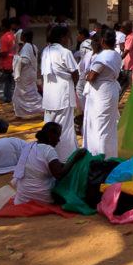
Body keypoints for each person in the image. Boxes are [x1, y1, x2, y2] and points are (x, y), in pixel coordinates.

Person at [11, 123, 79, 205]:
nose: (59, 140)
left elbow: (55, 165)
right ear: (50, 138)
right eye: (58, 136)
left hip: (23, 196)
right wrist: (75, 158)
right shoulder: (48, 150)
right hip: (41, 195)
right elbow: (59, 174)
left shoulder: (30, 146)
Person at [41, 25, 80, 163]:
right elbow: (75, 72)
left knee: (50, 126)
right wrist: (74, 87)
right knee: (65, 128)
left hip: (49, 96)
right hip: (63, 94)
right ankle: (65, 158)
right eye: (67, 36)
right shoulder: (65, 52)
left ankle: (48, 155)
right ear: (62, 37)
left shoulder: (46, 51)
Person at [83, 28, 122, 158]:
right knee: (108, 125)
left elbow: (92, 76)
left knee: (99, 126)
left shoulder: (103, 57)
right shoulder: (116, 54)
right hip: (110, 91)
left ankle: (100, 155)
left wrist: (87, 76)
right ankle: (109, 154)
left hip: (101, 93)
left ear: (102, 41)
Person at [12, 29, 43, 119]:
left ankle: (40, 108)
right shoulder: (33, 46)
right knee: (31, 92)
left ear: (24, 37)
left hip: (25, 74)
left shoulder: (26, 47)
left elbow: (25, 60)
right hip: (30, 73)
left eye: (21, 36)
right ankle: (20, 114)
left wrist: (16, 59)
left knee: (20, 93)